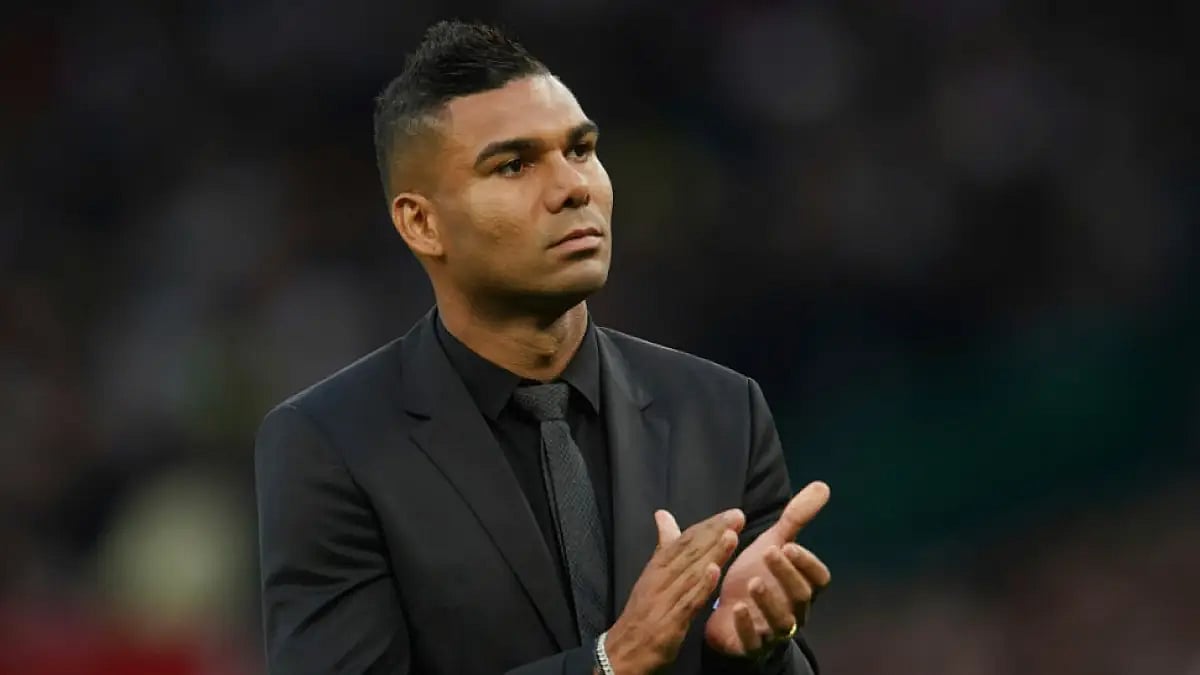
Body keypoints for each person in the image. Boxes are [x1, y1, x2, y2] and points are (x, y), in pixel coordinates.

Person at [255, 20, 832, 675]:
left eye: (581, 150)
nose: (572, 187)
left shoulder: (724, 410)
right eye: (514, 164)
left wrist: (758, 648)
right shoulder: (332, 443)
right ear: (422, 222)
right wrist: (609, 662)